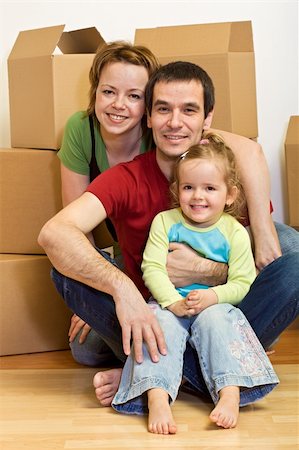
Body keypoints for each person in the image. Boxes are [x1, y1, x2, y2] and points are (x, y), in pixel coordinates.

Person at [38, 61, 299, 409]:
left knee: (293, 257)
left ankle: (158, 375)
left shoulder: (223, 174)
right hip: (152, 319)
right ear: (148, 117)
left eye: (188, 110)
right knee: (64, 271)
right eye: (163, 109)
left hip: (220, 315)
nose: (174, 123)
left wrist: (205, 270)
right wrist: (123, 290)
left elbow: (253, 267)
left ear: (207, 120)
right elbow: (53, 233)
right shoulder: (127, 178)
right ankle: (209, 372)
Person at [111, 134, 279, 433]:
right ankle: (157, 397)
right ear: (176, 190)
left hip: (213, 306)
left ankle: (228, 393)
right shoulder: (165, 222)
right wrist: (170, 301)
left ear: (229, 194)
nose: (198, 196)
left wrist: (212, 297)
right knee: (156, 324)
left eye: (210, 188)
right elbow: (152, 267)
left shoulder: (234, 232)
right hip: (172, 305)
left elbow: (243, 282)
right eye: (189, 187)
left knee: (220, 321)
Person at [57, 41, 160, 366]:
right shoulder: (80, 129)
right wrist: (95, 296)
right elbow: (77, 230)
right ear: (95, 92)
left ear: (149, 104)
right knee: (85, 350)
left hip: (159, 258)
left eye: (134, 96)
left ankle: (147, 366)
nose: (119, 105)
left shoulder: (160, 134)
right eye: (109, 92)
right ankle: (157, 359)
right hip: (118, 258)